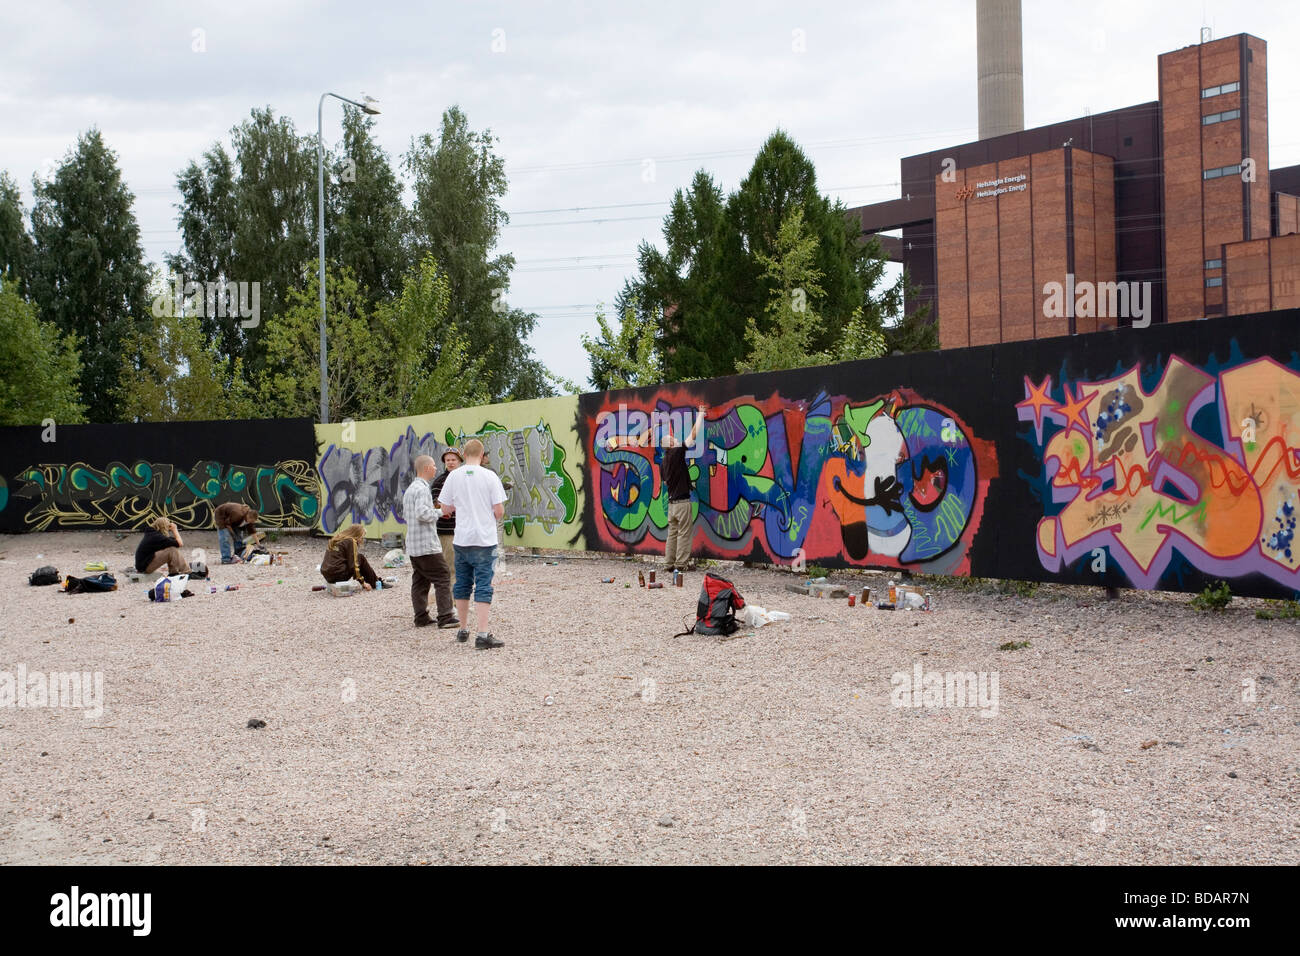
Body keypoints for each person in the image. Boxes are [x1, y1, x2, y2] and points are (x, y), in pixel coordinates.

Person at [608, 404, 706, 574]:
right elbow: (693, 436)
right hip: (682, 503)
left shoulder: (664, 463)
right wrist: (701, 415)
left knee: (672, 534)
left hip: (671, 504)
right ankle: (680, 565)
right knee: (684, 534)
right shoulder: (676, 452)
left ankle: (668, 563)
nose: (676, 439)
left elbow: (667, 483)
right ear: (671, 444)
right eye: (673, 438)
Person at [436, 437, 508, 649]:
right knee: (484, 584)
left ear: (464, 455)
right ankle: (483, 633)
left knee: (462, 583)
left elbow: (445, 508)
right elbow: (499, 510)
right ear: (482, 454)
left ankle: (463, 629)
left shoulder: (453, 476)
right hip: (484, 539)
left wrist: (460, 507)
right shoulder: (490, 476)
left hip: (461, 538)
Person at [401, 455, 458, 629]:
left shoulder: (411, 488)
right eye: (433, 465)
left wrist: (435, 510)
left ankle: (421, 616)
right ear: (426, 468)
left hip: (413, 544)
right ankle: (446, 616)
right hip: (427, 544)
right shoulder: (422, 489)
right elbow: (423, 514)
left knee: (420, 580)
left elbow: (410, 514)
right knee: (442, 575)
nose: (435, 468)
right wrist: (442, 512)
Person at [428, 447, 463, 588]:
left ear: (460, 461)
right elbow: (435, 504)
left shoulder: (466, 477)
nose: (450, 462)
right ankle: (452, 602)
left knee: (464, 567)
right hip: (448, 531)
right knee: (451, 566)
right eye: (448, 460)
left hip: (465, 529)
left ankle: (460, 599)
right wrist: (443, 509)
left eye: (453, 459)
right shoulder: (439, 481)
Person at [479, 448, 513, 579]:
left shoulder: (470, 471)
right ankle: (499, 559)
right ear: (482, 457)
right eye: (486, 456)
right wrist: (508, 485)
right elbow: (497, 487)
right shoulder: (489, 471)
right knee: (498, 529)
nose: (488, 458)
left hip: (481, 507)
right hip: (493, 504)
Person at [319, 523, 379, 590]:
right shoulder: (351, 541)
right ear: (357, 534)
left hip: (327, 575)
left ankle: (375, 580)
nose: (362, 539)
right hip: (338, 576)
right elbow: (354, 565)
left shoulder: (337, 538)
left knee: (356, 558)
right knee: (360, 558)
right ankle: (376, 583)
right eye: (362, 537)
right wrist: (362, 583)